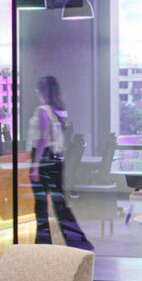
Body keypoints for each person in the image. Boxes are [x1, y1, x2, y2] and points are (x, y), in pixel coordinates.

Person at [28, 76, 93, 250]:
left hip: (43, 159)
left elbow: (42, 139)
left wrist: (35, 166)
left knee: (41, 204)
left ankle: (42, 244)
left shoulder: (42, 110)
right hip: (56, 159)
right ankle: (77, 240)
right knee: (59, 203)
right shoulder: (60, 112)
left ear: (42, 91)